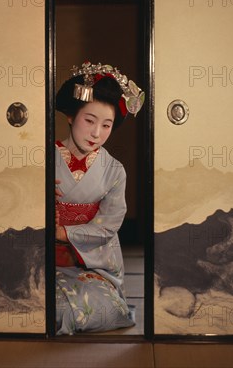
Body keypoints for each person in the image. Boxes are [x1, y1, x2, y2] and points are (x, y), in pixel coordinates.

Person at [54, 62, 144, 335]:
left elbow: (107, 227)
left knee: (98, 307)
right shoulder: (43, 160)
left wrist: (61, 232)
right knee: (31, 302)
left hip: (91, 266)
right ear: (71, 116)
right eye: (89, 121)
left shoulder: (114, 171)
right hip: (40, 261)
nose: (96, 133)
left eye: (107, 125)